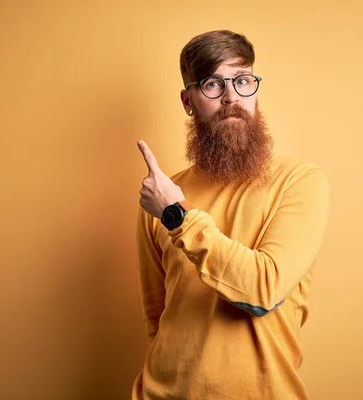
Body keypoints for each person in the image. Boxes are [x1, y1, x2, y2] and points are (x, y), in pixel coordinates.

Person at [132, 30, 330, 400]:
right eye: (212, 84)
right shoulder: (162, 194)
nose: (231, 98)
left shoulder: (300, 181)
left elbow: (262, 290)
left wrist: (176, 215)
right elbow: (157, 315)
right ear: (187, 101)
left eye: (242, 81)